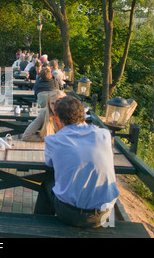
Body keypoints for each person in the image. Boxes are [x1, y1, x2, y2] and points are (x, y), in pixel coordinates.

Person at [34, 95, 119, 227]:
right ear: (83, 113)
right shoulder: (104, 135)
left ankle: (38, 226)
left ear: (58, 118)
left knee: (47, 182)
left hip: (71, 214)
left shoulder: (53, 140)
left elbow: (49, 164)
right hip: (106, 213)